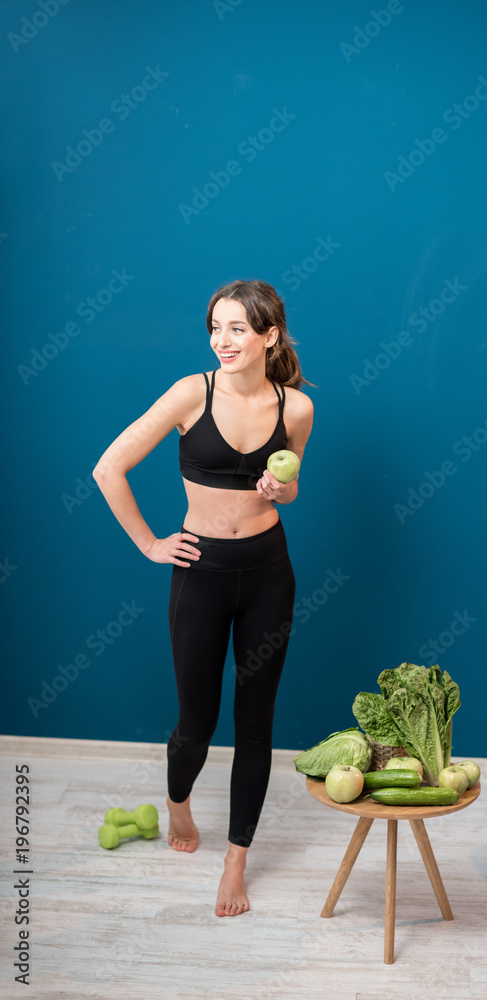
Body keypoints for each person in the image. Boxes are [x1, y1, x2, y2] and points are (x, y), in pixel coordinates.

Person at [92, 278, 314, 917]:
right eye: (216, 327)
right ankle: (179, 804)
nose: (223, 340)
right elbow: (109, 467)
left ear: (269, 336)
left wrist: (282, 493)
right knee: (196, 723)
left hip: (270, 571)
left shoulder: (295, 408)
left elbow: (292, 483)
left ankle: (235, 862)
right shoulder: (194, 392)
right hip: (201, 571)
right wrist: (149, 544)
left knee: (256, 723)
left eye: (238, 329)